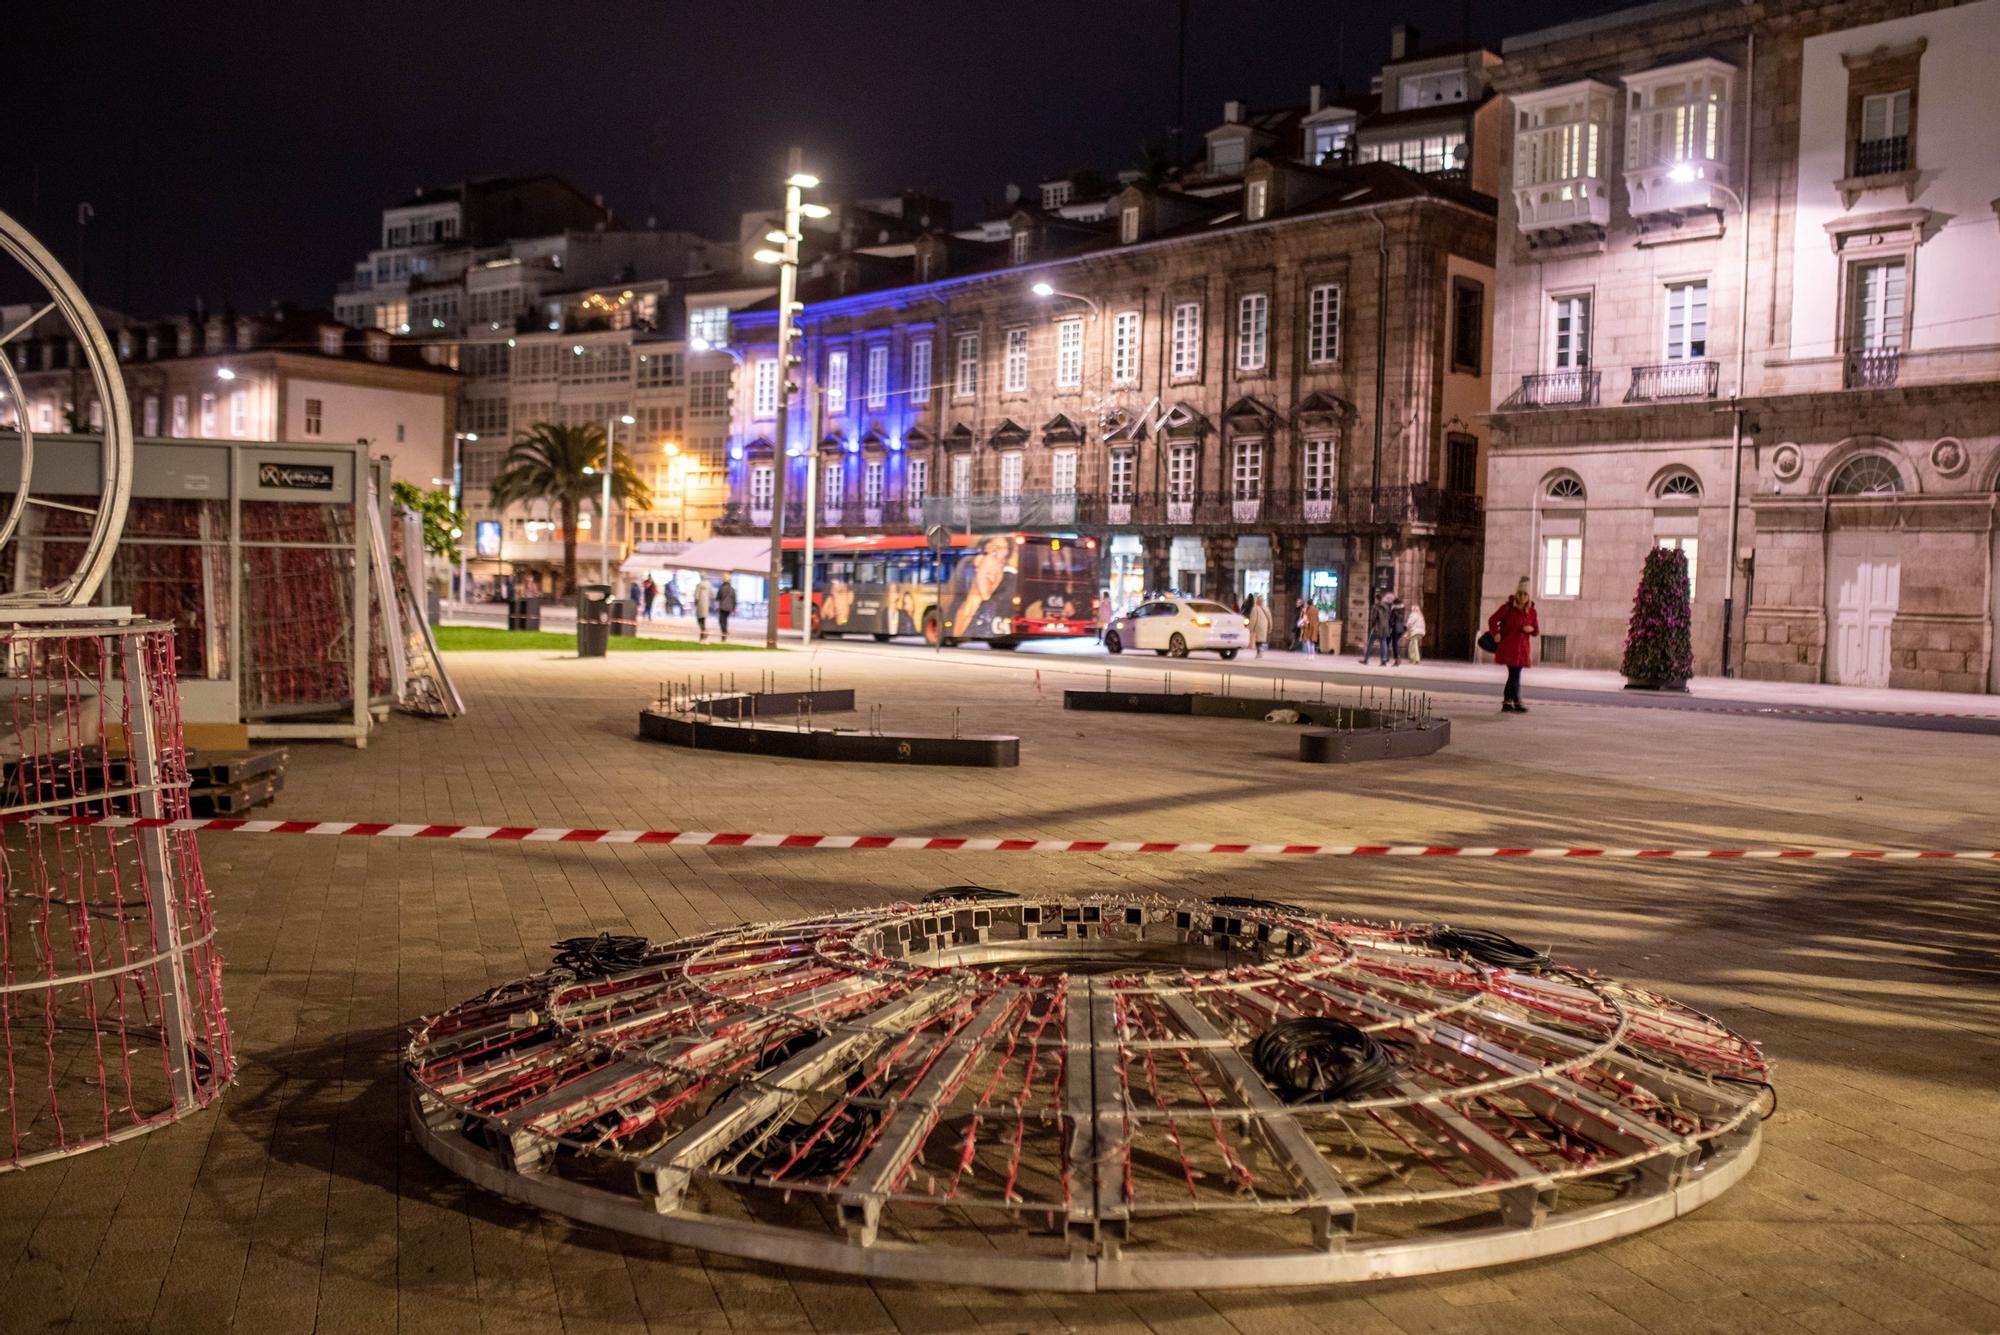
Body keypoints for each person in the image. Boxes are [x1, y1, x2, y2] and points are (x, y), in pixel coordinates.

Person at [1488, 577, 1540, 714]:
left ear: (1529, 596)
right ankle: (1516, 702)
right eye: (1520, 593)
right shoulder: (1507, 608)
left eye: (1525, 594)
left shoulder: (1532, 612)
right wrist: (1495, 633)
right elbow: (1492, 620)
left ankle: (1507, 703)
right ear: (1516, 594)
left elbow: (1536, 631)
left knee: (1514, 675)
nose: (1522, 597)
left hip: (1522, 649)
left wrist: (1530, 629)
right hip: (1509, 647)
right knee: (1515, 674)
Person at [1362, 591, 1394, 665]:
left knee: (1370, 643)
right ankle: (1383, 660)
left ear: (1376, 599)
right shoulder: (1387, 607)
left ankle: (1366, 659)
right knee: (1383, 643)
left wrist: (1372, 625)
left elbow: (1374, 617)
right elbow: (1389, 617)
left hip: (1377, 627)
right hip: (1385, 627)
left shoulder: (1376, 606)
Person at [1246, 593, 1271, 659]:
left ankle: (1259, 652)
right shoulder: (1266, 609)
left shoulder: (1255, 609)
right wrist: (1270, 627)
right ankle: (1260, 651)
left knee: (1257, 641)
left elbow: (1253, 619)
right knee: (1261, 640)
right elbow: (1270, 619)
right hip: (1264, 626)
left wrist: (1250, 628)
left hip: (1258, 627)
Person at [1403, 599, 1427, 664]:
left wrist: (1406, 628)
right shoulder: (1420, 616)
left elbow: (1409, 623)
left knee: (1413, 645)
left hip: (1415, 632)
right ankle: (1412, 658)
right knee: (1412, 645)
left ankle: (1416, 659)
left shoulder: (1413, 615)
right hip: (1420, 632)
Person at [1387, 595, 1407, 667]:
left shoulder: (1394, 610)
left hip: (1395, 629)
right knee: (1395, 644)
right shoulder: (1402, 609)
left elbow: (1391, 621)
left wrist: (1389, 627)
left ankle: (1396, 659)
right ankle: (1396, 658)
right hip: (1401, 629)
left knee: (1393, 644)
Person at [716, 574, 737, 641]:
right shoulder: (732, 589)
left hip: (722, 607)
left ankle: (724, 632)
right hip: (729, 608)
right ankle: (724, 634)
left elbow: (718, 597)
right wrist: (733, 609)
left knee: (721, 621)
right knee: (725, 620)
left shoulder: (722, 588)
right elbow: (734, 599)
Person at [692, 575, 713, 642]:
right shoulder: (709, 585)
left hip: (700, 604)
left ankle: (703, 632)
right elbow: (711, 595)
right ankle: (703, 632)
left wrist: (695, 603)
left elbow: (696, 596)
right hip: (706, 604)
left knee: (699, 620)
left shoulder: (699, 584)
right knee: (703, 619)